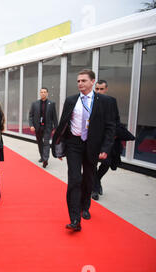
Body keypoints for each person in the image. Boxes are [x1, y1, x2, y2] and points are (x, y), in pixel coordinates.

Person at [52, 69, 115, 232]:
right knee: (74, 179)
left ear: (92, 82)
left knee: (88, 178)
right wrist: (60, 147)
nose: (80, 83)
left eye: (84, 80)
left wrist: (105, 148)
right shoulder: (71, 100)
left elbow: (110, 127)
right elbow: (63, 124)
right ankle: (74, 219)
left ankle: (84, 207)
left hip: (93, 146)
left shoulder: (106, 102)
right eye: (78, 81)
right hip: (74, 144)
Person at [91, 80, 121, 201]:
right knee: (92, 163)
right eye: (97, 89)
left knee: (107, 163)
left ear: (106, 89)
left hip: (107, 138)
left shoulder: (112, 101)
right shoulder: (91, 100)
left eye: (101, 89)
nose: (98, 91)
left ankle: (97, 180)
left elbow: (116, 119)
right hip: (93, 138)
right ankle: (95, 188)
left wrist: (114, 134)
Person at [29, 87, 58, 168]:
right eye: (41, 92)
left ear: (47, 93)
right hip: (37, 127)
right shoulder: (34, 104)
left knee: (46, 142)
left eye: (45, 92)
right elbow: (31, 116)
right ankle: (42, 156)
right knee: (40, 142)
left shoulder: (51, 104)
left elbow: (54, 117)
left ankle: (45, 159)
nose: (43, 93)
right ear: (40, 93)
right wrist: (31, 125)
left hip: (47, 127)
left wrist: (56, 128)